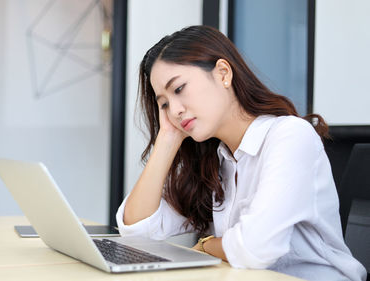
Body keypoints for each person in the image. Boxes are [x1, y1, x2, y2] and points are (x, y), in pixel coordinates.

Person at [115, 25, 366, 281]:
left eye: (179, 89)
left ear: (223, 73)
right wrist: (167, 137)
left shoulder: (290, 136)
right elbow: (137, 234)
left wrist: (206, 245)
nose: (175, 110)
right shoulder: (215, 158)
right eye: (164, 103)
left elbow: (255, 249)